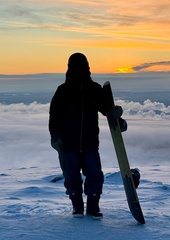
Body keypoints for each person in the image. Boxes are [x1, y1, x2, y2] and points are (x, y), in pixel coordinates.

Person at [49, 53, 128, 219]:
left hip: (90, 143)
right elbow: (54, 115)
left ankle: (93, 206)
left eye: (82, 66)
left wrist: (118, 118)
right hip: (67, 143)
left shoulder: (94, 89)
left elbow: (106, 110)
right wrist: (55, 136)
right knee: (72, 176)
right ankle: (77, 206)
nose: (79, 70)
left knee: (94, 175)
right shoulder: (63, 91)